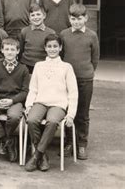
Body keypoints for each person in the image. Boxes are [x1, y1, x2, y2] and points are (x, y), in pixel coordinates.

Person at [24, 34, 78, 172]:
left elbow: (73, 92)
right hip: (40, 101)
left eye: (55, 46)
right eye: (49, 46)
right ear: (45, 48)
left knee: (53, 121)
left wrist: (71, 114)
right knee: (31, 119)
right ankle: (42, 156)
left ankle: (37, 156)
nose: (52, 49)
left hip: (58, 104)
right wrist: (29, 105)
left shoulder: (66, 67)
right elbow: (33, 88)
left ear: (60, 48)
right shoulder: (39, 65)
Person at [60, 4, 99, 160]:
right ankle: (69, 142)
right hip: (67, 80)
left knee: (82, 113)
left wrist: (87, 72)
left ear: (86, 18)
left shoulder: (92, 35)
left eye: (79, 18)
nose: (76, 22)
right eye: (73, 19)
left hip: (85, 79)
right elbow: (61, 55)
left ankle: (82, 144)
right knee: (69, 112)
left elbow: (95, 58)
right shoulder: (63, 34)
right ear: (69, 19)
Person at [0, 38, 30, 162]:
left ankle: (8, 138)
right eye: (7, 49)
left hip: (15, 101)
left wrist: (12, 101)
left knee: (14, 116)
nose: (9, 52)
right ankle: (6, 140)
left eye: (12, 50)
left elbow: (25, 91)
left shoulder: (23, 69)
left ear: (18, 51)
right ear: (2, 51)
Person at [19, 4, 56, 74]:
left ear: (44, 16)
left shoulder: (51, 32)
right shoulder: (24, 31)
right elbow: (21, 50)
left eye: (38, 14)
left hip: (44, 66)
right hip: (26, 65)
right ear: (29, 18)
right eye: (33, 15)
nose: (36, 17)